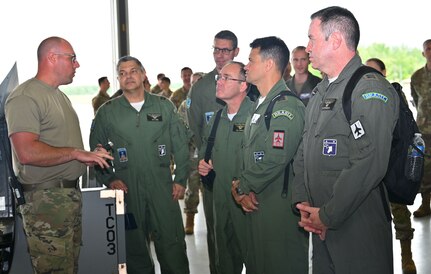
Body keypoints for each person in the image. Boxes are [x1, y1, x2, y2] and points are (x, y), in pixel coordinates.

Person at [292, 6, 398, 274]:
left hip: (357, 224)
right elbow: (305, 148)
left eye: (312, 39)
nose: (307, 48)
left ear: (335, 40)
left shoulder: (369, 88)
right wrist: (303, 204)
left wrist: (327, 215)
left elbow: (369, 162)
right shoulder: (321, 90)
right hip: (321, 224)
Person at [4, 36, 112, 274]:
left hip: (66, 197)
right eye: (72, 58)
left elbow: (58, 145)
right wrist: (76, 153)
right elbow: (27, 152)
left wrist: (88, 154)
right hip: (46, 202)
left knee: (68, 268)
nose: (77, 65)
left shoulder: (59, 96)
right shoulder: (25, 97)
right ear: (52, 58)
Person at [90, 56, 190, 274]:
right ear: (118, 79)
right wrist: (110, 179)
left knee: (172, 246)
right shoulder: (107, 113)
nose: (128, 76)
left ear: (144, 74)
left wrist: (181, 179)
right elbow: (97, 153)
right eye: (123, 73)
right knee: (134, 250)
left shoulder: (164, 107)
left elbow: (181, 146)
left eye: (133, 71)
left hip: (163, 188)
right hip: (128, 190)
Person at [231, 36, 308, 274]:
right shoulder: (260, 104)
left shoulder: (285, 106)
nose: (246, 66)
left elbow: (277, 157)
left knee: (280, 263)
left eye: (250, 60)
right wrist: (243, 189)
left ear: (268, 64)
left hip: (278, 205)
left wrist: (242, 186)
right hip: (257, 201)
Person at [187, 30, 239, 274]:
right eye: (216, 49)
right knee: (217, 234)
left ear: (236, 52)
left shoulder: (247, 84)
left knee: (245, 233)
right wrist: (211, 157)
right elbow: (196, 129)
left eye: (225, 50)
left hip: (242, 171)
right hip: (213, 173)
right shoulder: (201, 88)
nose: (220, 55)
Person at [198, 61, 252, 274]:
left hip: (248, 201)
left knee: (255, 258)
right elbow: (206, 151)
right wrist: (203, 164)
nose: (219, 82)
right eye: (219, 77)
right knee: (224, 261)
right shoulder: (217, 118)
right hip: (220, 201)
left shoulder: (255, 115)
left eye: (226, 78)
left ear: (243, 85)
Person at [366, 57, 416, 274]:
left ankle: (407, 255)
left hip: (391, 164)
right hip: (368, 166)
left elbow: (405, 131)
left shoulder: (393, 94)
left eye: (375, 72)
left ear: (384, 73)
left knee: (400, 213)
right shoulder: (361, 97)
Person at [410, 39, 431, 218]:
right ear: (423, 53)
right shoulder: (417, 76)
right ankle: (425, 205)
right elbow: (416, 101)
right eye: (428, 49)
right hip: (425, 131)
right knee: (425, 170)